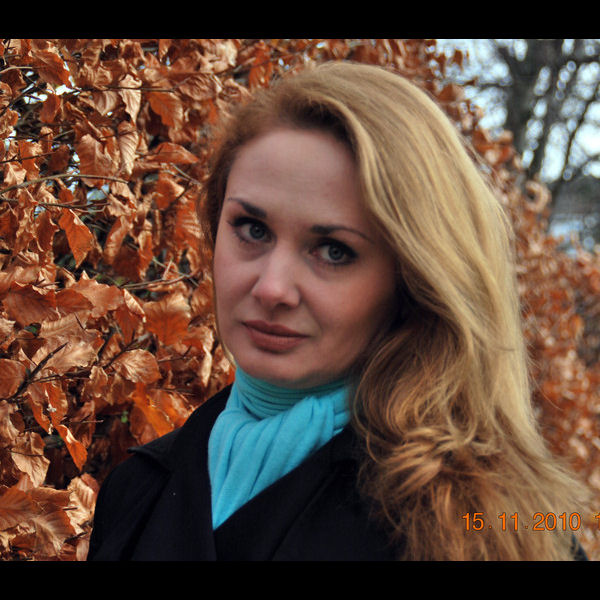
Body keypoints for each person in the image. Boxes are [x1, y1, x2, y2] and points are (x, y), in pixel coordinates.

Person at [87, 61, 589, 561]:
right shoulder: (134, 491)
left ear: (412, 279)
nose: (272, 288)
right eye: (253, 229)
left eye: (333, 251)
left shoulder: (492, 527)